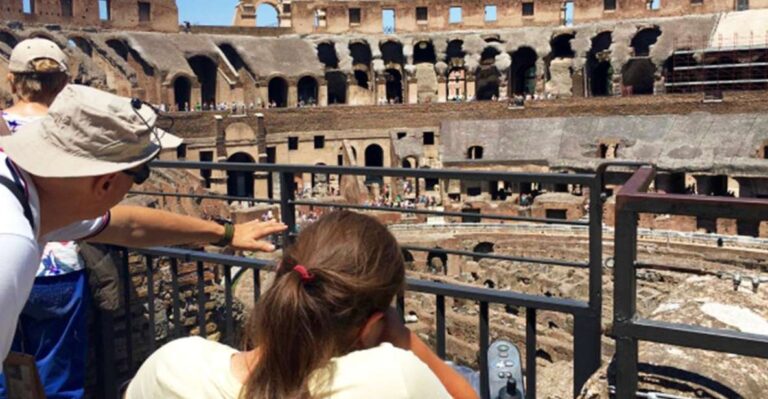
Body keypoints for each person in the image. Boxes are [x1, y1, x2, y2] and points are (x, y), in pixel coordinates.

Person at [0, 84, 288, 377]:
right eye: (141, 174)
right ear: (106, 183)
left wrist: (225, 233)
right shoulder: (11, 244)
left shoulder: (34, 190)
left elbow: (129, 225)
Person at [126, 211, 478, 399]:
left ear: (282, 272)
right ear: (372, 326)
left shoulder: (171, 365)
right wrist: (404, 339)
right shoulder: (391, 380)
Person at [0, 38, 89, 399]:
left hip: (8, 264)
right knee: (60, 379)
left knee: (7, 368)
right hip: (59, 268)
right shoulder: (74, 130)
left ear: (11, 81)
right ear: (63, 84)